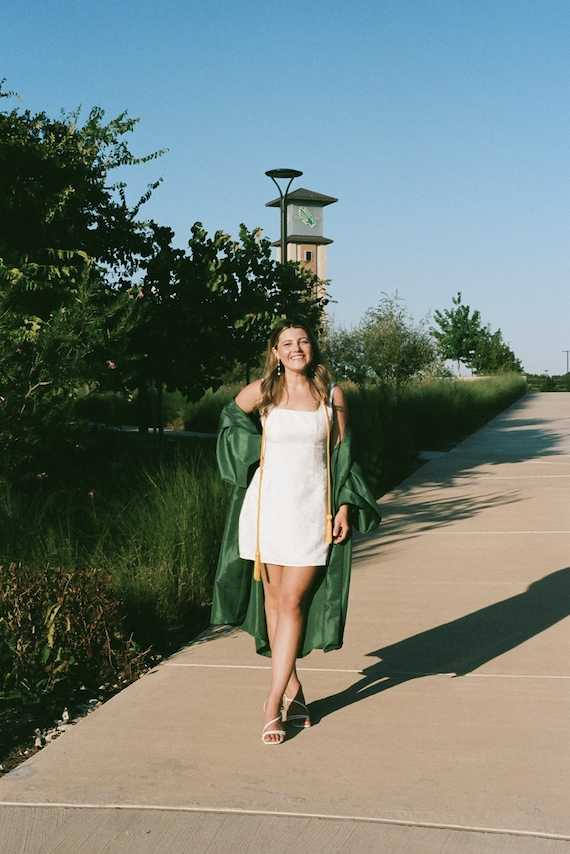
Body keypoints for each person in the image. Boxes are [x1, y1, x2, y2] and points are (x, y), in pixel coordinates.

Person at [211, 319, 381, 744]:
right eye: (287, 343)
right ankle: (295, 691)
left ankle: (271, 702)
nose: (296, 348)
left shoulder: (332, 394)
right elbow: (230, 419)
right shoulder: (264, 391)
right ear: (275, 352)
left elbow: (343, 454)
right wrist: (255, 450)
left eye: (303, 340)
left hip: (312, 512)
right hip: (267, 509)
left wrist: (343, 504)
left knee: (291, 603)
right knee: (272, 603)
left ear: (313, 347)